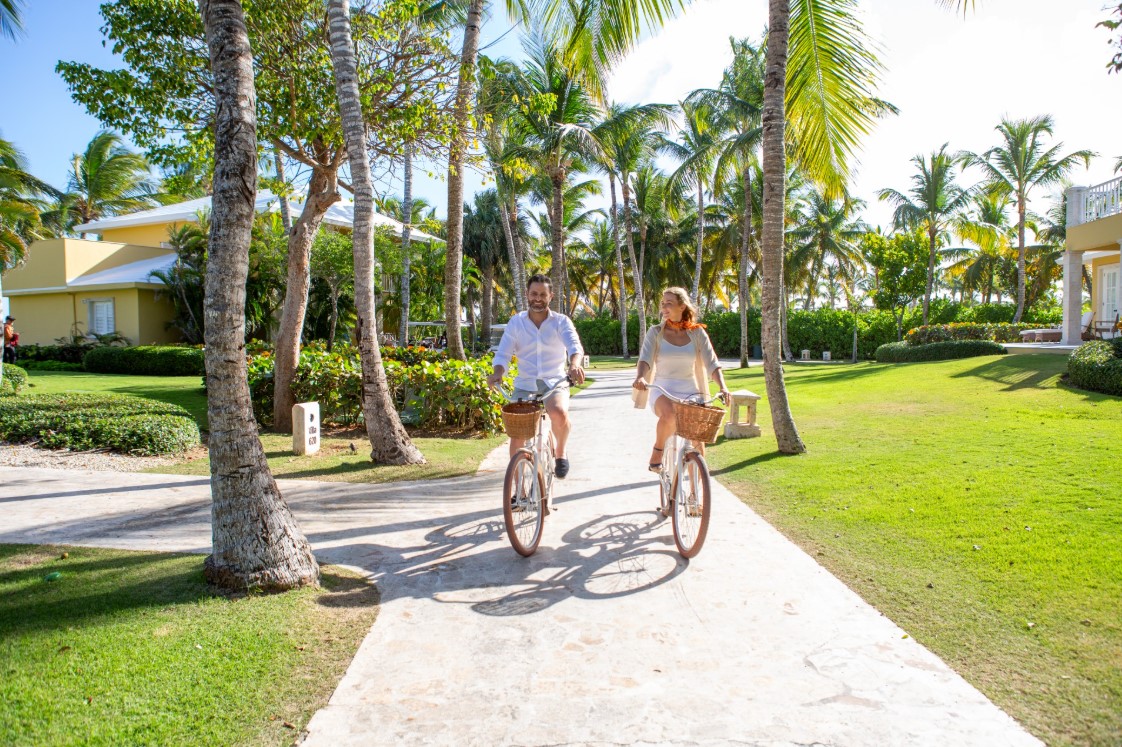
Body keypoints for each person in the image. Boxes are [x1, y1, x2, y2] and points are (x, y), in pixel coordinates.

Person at [486, 273, 586, 478]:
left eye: (542, 294)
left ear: (550, 296)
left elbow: (574, 347)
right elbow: (504, 353)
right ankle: (518, 489)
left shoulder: (561, 322)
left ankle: (560, 452)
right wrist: (497, 373)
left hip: (555, 382)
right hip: (525, 384)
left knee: (559, 412)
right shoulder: (516, 322)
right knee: (518, 436)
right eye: (534, 294)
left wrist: (575, 365)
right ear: (527, 294)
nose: (537, 299)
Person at [632, 287, 730, 472]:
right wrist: (640, 377)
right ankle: (657, 452)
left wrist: (723, 387)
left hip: (691, 391)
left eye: (669, 303)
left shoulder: (697, 333)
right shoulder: (656, 332)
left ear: (682, 306)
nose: (664, 308)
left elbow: (712, 363)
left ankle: (697, 487)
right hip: (662, 389)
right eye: (663, 304)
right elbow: (645, 359)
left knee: (698, 442)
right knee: (669, 415)